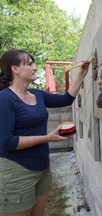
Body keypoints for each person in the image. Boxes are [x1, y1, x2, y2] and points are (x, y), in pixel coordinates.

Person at [0, 49, 90, 216]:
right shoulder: (5, 99)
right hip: (17, 171)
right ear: (15, 69)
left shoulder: (36, 94)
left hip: (42, 168)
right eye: (29, 64)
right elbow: (6, 142)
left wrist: (81, 74)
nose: (35, 68)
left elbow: (66, 99)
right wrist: (47, 138)